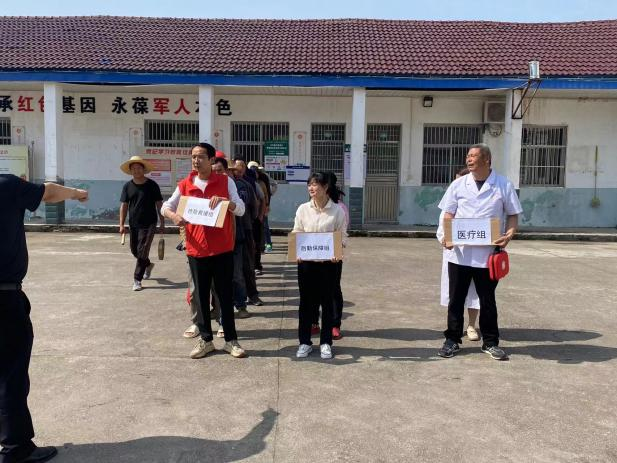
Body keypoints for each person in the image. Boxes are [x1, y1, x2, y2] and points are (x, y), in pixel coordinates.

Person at [1, 175, 88, 463]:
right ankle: (16, 448)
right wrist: (76, 193)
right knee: (10, 374)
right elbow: (48, 193)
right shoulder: (6, 185)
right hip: (4, 299)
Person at [162, 143, 247, 359]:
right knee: (200, 297)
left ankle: (231, 340)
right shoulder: (185, 184)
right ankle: (206, 340)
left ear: (211, 160)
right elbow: (165, 207)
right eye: (193, 157)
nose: (196, 160)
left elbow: (241, 209)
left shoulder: (225, 182)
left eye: (200, 157)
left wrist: (227, 203)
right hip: (196, 250)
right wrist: (174, 216)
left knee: (225, 296)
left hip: (222, 249)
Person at [437, 143, 522, 361]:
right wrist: (447, 236)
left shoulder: (503, 184)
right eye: (468, 156)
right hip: (460, 254)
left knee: (487, 300)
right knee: (456, 300)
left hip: (487, 256)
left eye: (473, 156)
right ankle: (452, 340)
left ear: (487, 160)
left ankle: (491, 342)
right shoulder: (458, 184)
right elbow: (448, 213)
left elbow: (513, 214)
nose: (469, 159)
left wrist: (509, 234)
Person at [293, 172, 347, 360]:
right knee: (306, 303)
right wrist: (296, 251)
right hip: (306, 264)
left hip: (329, 264)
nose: (311, 188)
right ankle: (304, 342)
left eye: (315, 184)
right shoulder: (303, 209)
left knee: (327, 302)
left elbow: (342, 235)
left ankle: (326, 342)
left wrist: (337, 251)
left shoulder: (337, 211)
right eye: (309, 184)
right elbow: (297, 231)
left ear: (325, 187)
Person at [436, 167, 481, 341]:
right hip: (455, 254)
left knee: (475, 291)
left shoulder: (478, 206)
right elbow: (442, 225)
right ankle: (455, 328)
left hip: (477, 255)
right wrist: (444, 238)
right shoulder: (450, 202)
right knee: (455, 293)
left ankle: (471, 325)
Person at [119, 156, 165, 291]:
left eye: (139, 168)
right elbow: (124, 206)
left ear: (143, 169)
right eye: (133, 168)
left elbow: (159, 204)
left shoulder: (152, 185)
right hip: (134, 223)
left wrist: (162, 222)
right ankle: (148, 264)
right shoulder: (127, 186)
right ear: (130, 170)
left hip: (149, 223)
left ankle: (137, 279)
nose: (136, 170)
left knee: (143, 250)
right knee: (135, 250)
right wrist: (121, 224)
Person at [231, 159, 264, 306]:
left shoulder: (246, 185)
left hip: (245, 229)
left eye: (240, 170)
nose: (237, 173)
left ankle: (252, 295)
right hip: (225, 233)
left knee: (247, 265)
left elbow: (255, 206)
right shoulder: (219, 186)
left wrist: (251, 220)